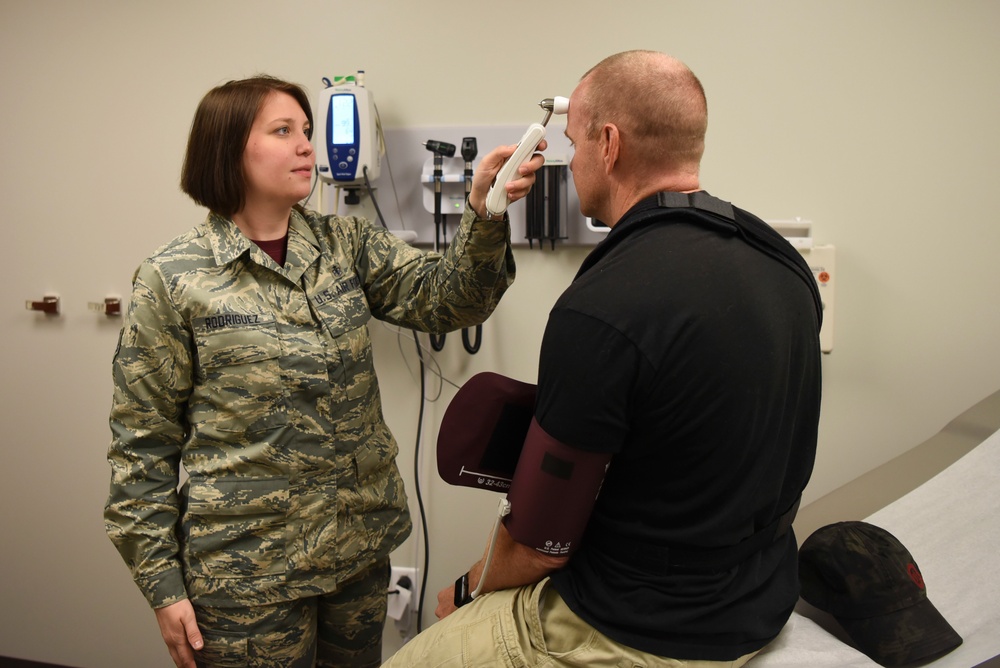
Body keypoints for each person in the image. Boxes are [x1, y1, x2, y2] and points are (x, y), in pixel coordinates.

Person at [382, 50, 823, 667]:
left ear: (609, 144)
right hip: (758, 599)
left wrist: (469, 587)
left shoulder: (604, 305)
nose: (570, 161)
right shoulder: (783, 265)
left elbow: (541, 545)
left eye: (571, 143)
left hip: (642, 627)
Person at [104, 74, 545, 668]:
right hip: (246, 575)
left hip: (355, 558)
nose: (307, 145)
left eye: (307, 131)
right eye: (283, 131)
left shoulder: (345, 245)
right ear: (228, 148)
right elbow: (142, 447)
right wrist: (162, 586)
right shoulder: (173, 279)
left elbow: (452, 300)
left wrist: (484, 212)